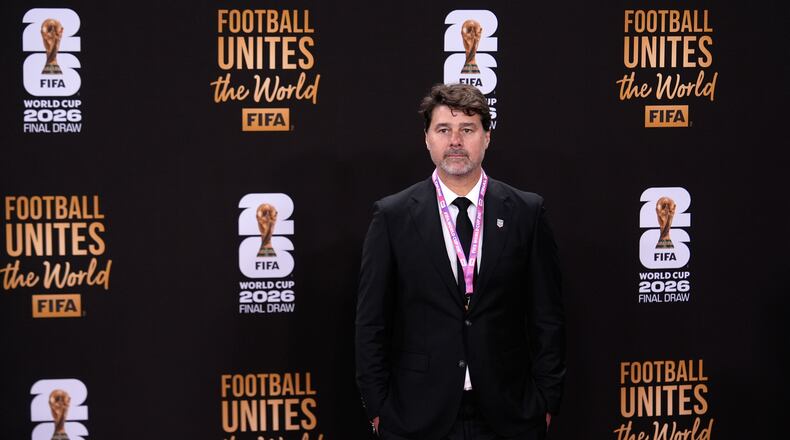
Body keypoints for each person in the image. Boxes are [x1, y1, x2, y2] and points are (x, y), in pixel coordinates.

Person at [356, 83, 565, 440]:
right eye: (443, 130)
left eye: (467, 130)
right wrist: (378, 408)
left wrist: (545, 401)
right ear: (427, 139)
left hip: (509, 413)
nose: (455, 141)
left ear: (486, 138)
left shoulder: (526, 212)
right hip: (417, 416)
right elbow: (371, 323)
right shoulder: (392, 216)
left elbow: (548, 318)